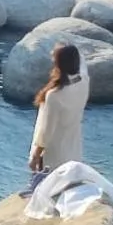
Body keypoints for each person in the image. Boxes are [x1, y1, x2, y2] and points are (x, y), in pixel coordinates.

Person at [27, 43, 91, 173]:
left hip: (54, 154)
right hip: (73, 148)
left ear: (59, 63)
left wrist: (35, 155)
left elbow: (47, 130)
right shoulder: (84, 82)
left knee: (49, 187)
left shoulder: (54, 95)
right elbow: (82, 62)